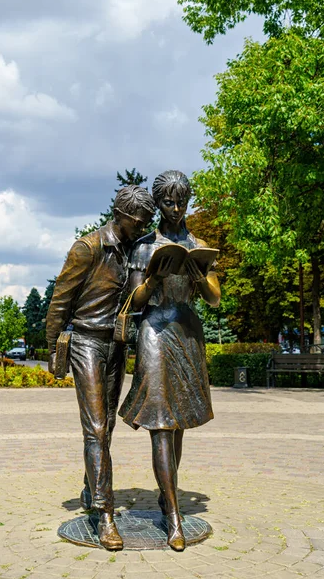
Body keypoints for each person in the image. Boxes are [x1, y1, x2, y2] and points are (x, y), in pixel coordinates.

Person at [46, 185, 156, 550]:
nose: (142, 228)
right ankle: (104, 513)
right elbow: (60, 299)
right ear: (121, 215)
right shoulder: (88, 248)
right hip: (87, 343)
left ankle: (91, 486)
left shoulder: (134, 251)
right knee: (95, 426)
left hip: (117, 344)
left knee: (105, 425)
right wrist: (52, 348)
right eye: (138, 222)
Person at [119, 171, 221, 551]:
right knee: (161, 423)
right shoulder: (144, 246)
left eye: (182, 202)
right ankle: (174, 515)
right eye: (168, 202)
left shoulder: (199, 245)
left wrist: (201, 276)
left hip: (186, 331)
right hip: (154, 333)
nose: (176, 209)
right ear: (158, 203)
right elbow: (135, 302)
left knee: (177, 424)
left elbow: (214, 299)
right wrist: (152, 279)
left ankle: (168, 494)